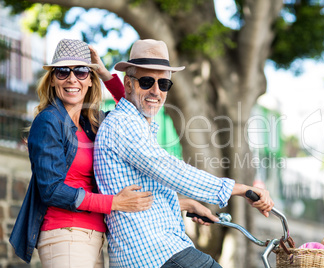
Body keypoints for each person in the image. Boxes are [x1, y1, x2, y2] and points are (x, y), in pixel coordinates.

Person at [94, 39, 275, 267]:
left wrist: (189, 204)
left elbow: (146, 194)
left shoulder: (137, 125)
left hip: (153, 253)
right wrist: (241, 189)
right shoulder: (123, 125)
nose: (156, 91)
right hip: (154, 252)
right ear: (128, 85)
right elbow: (171, 171)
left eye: (164, 84)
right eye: (147, 81)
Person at [8, 39, 155, 267]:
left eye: (82, 71)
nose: (72, 78)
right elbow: (52, 190)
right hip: (65, 233)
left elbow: (135, 110)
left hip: (94, 238)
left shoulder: (93, 124)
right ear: (53, 80)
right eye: (63, 71)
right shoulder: (48, 121)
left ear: (90, 80)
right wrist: (114, 202)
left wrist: (105, 72)